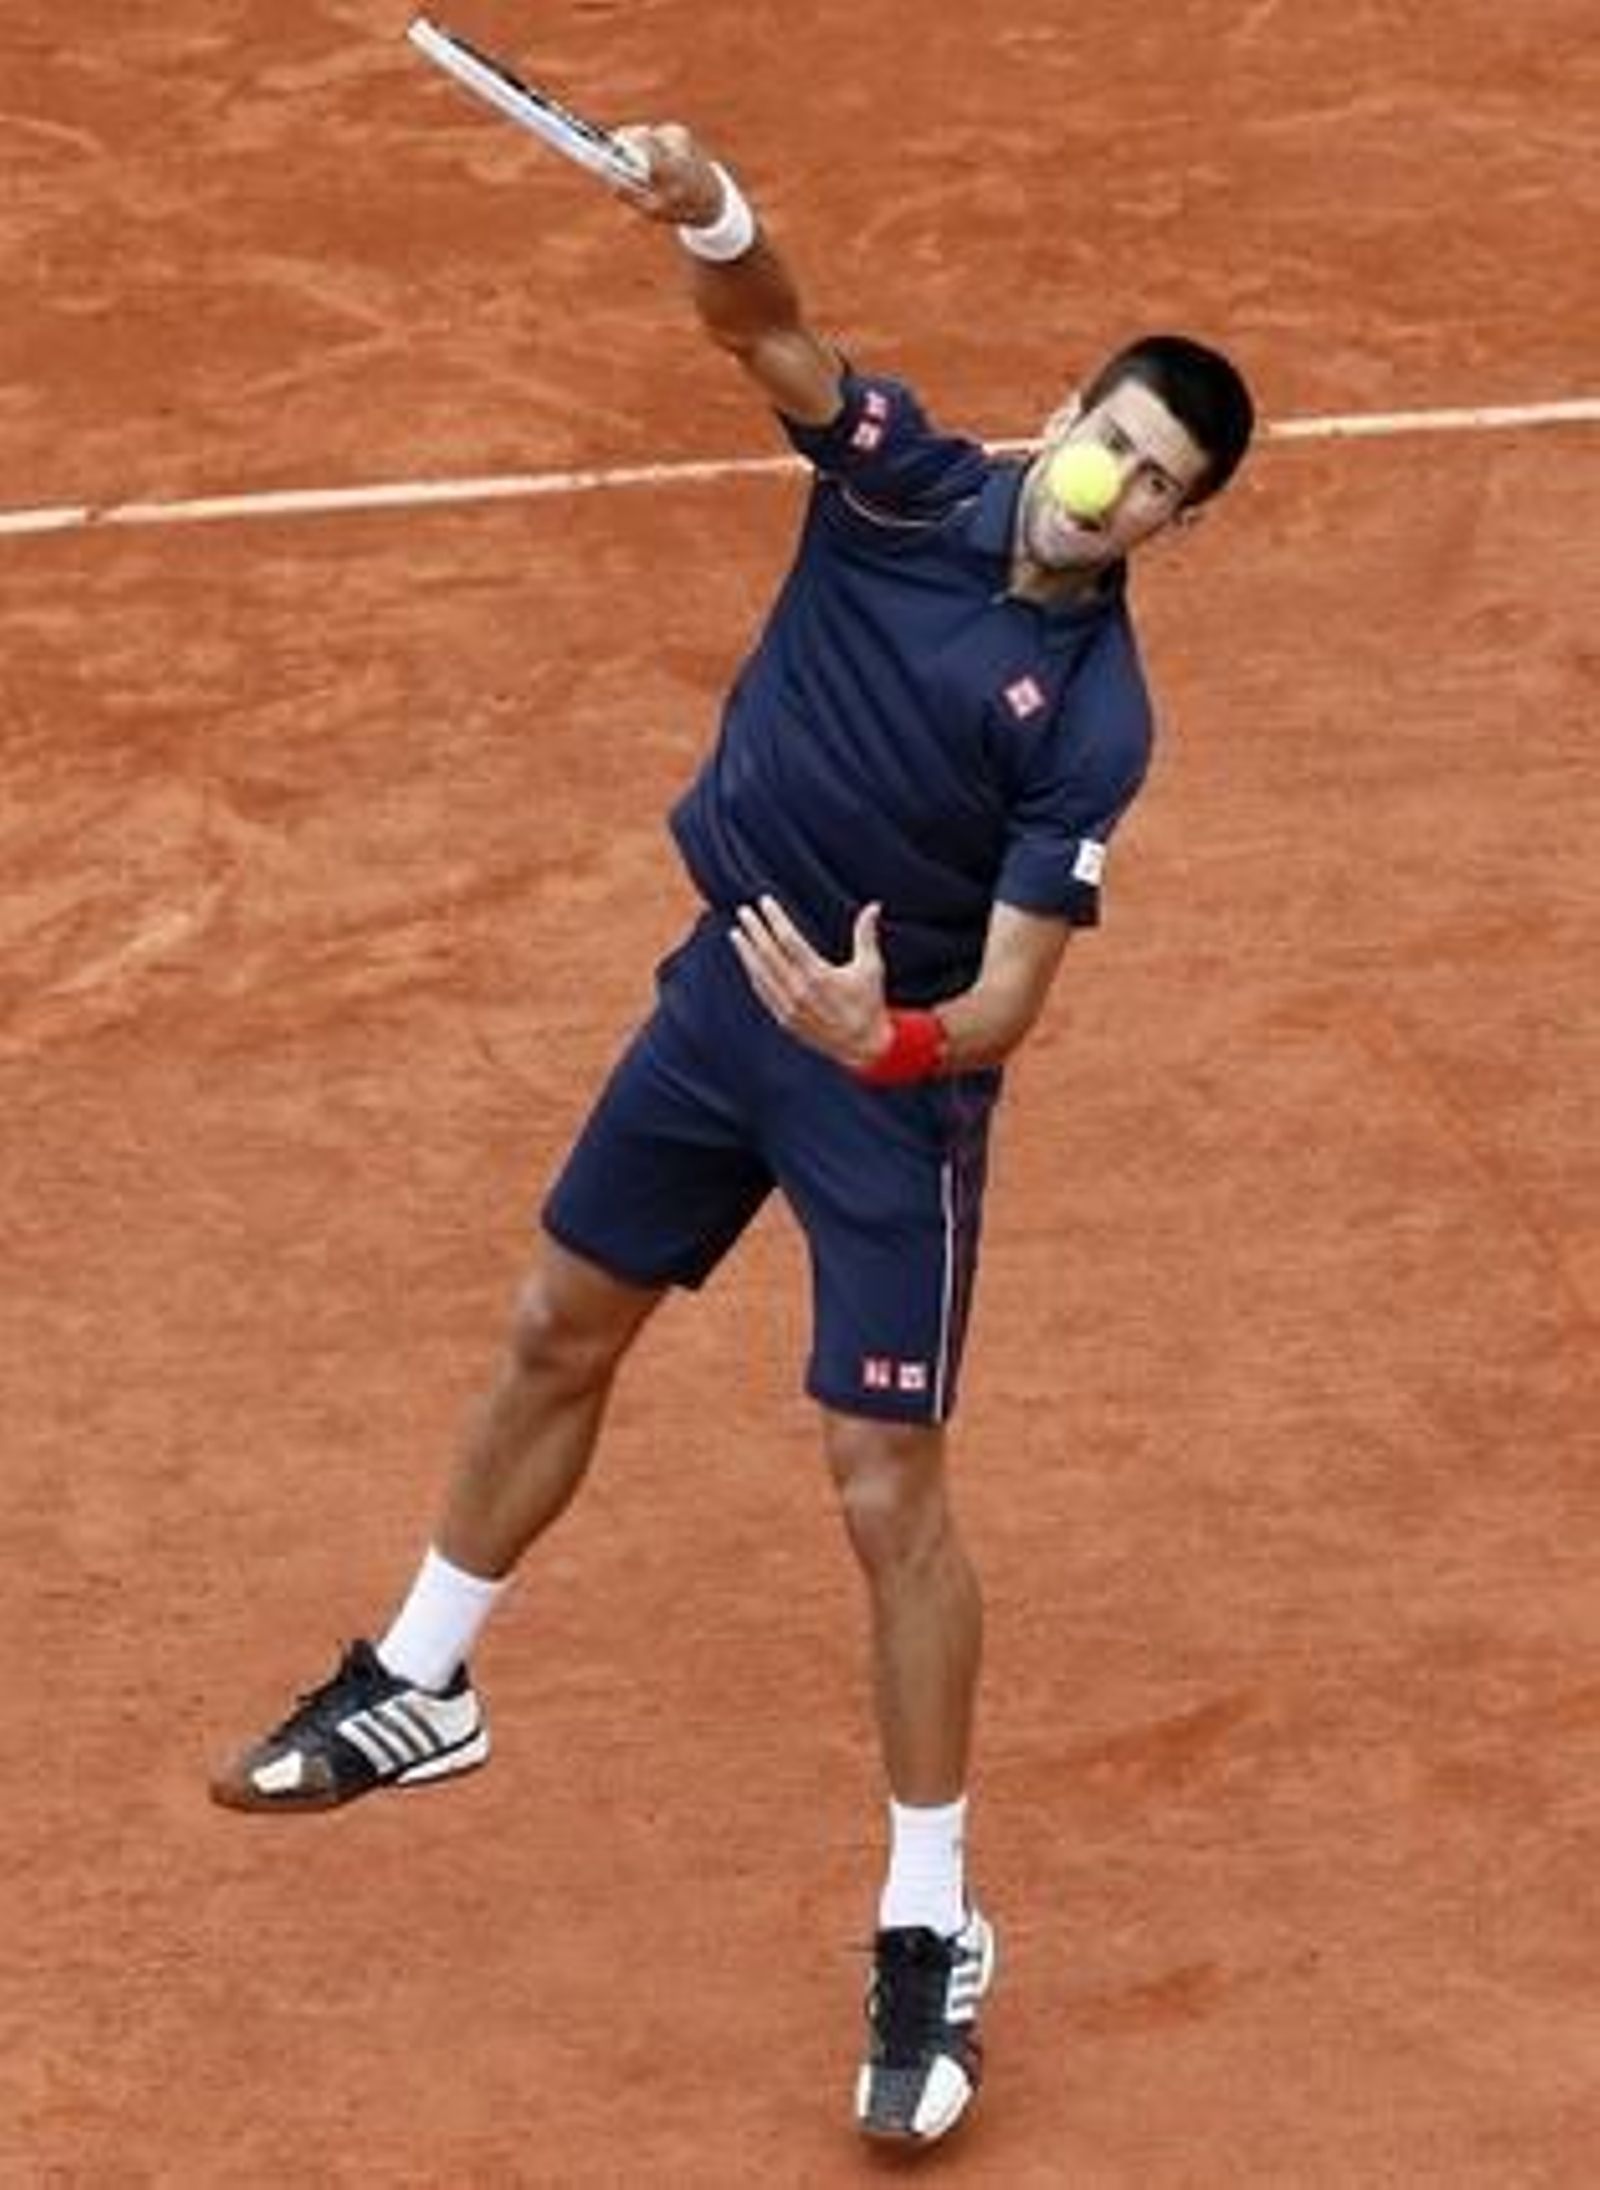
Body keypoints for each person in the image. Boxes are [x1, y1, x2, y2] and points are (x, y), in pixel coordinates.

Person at [211, 122, 1255, 2149]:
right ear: (1062, 412)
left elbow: (1021, 1000)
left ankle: (928, 1916)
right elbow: (769, 332)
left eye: (1157, 486)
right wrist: (710, 209)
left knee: (883, 1491)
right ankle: (428, 1677)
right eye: (1109, 438)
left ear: (1172, 532)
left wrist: (894, 1035)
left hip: (887, 1098)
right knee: (552, 1325)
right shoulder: (900, 485)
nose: (1111, 484)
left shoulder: (1094, 722)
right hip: (719, 1001)